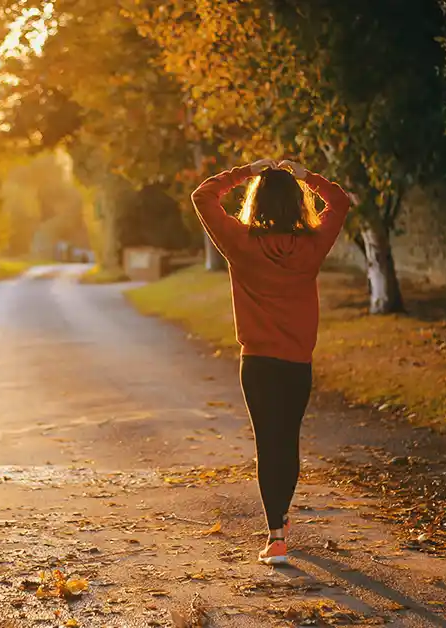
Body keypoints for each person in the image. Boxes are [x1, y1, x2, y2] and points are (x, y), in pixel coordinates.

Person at [191, 158, 351, 565]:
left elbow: (203, 196)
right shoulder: (313, 245)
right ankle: (281, 516)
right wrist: (306, 176)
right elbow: (340, 201)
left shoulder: (240, 243)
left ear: (256, 203)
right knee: (287, 441)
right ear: (298, 203)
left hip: (258, 364)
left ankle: (276, 535)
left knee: (268, 443)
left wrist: (246, 171)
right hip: (297, 363)